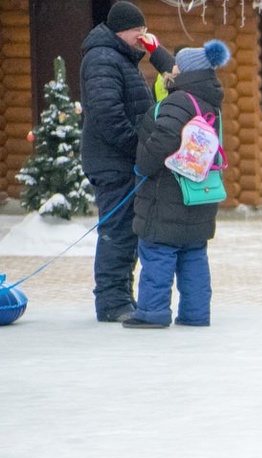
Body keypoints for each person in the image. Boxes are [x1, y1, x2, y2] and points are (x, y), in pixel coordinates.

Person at [124, 40, 230, 330]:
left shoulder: (179, 101)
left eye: (178, 65)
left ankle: (152, 312)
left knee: (158, 251)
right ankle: (196, 314)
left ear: (188, 71)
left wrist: (143, 165)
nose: (173, 68)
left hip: (168, 192)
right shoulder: (209, 101)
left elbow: (164, 140)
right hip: (198, 194)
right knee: (193, 253)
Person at [79, 0, 173, 324]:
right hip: (112, 161)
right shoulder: (103, 58)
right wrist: (139, 148)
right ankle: (111, 302)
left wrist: (155, 51)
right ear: (124, 30)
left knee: (124, 230)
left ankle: (120, 297)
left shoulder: (120, 57)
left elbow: (173, 78)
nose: (144, 37)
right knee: (117, 230)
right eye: (140, 31)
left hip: (121, 160)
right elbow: (108, 115)